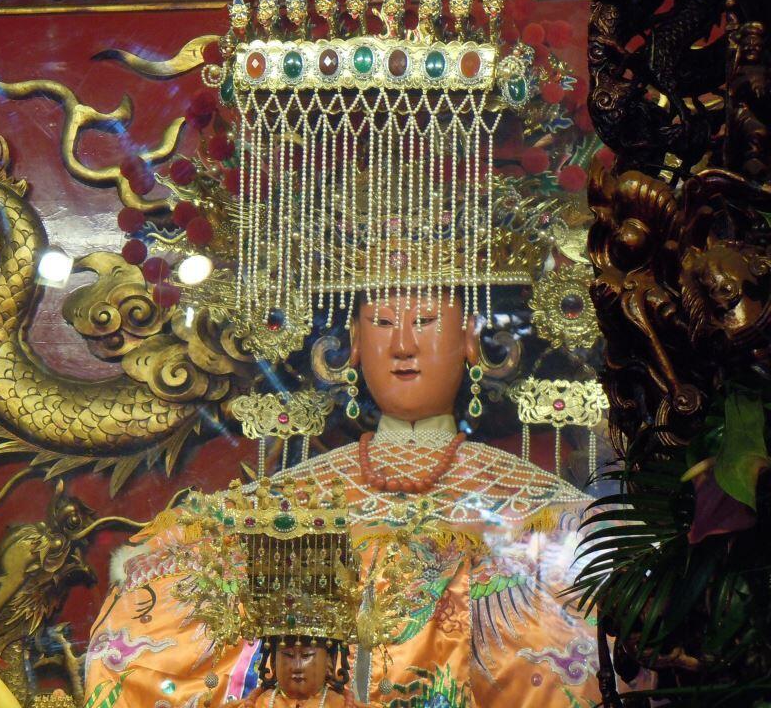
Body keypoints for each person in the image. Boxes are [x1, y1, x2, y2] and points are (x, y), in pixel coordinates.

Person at [85, 290, 610, 708]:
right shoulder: (286, 501)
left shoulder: (538, 508)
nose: (403, 346)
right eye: (382, 323)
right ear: (354, 342)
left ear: (471, 339)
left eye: (426, 321)